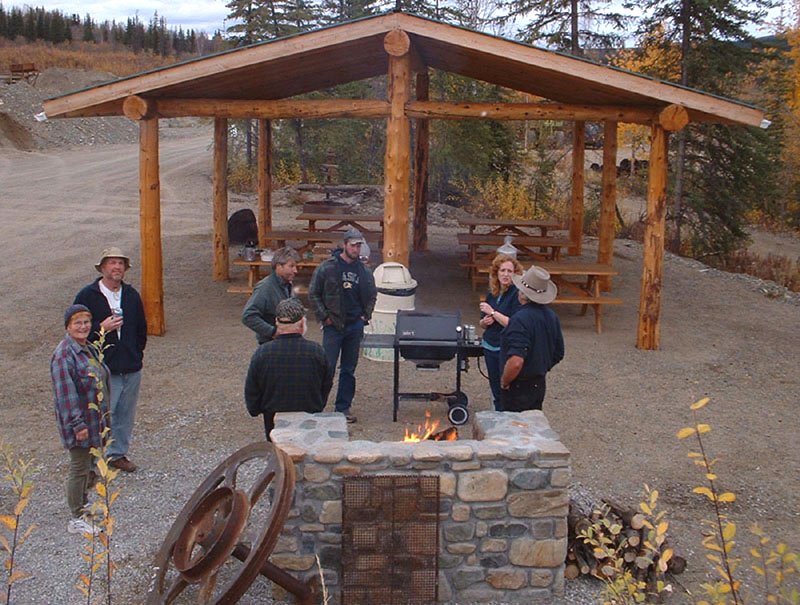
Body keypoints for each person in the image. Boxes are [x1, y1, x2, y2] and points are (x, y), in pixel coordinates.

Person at [74, 247, 147, 473]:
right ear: (103, 267)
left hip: (131, 367)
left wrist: (136, 353)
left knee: (125, 414)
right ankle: (93, 462)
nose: (117, 267)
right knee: (100, 415)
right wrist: (100, 329)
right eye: (112, 263)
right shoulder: (87, 296)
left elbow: (141, 330)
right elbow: (75, 330)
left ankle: (117, 455)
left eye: (120, 263)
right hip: (102, 368)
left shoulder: (132, 295)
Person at [51, 304, 109, 536]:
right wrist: (77, 425)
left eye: (86, 322)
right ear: (68, 326)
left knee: (90, 467)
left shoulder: (87, 348)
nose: (83, 327)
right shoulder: (64, 355)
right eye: (77, 323)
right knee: (79, 468)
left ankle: (84, 506)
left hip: (94, 421)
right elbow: (66, 394)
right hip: (79, 424)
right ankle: (76, 517)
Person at [308, 227, 377, 424]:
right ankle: (317, 406)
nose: (356, 249)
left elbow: (372, 295)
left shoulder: (364, 271)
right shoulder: (327, 267)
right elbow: (313, 294)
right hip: (333, 327)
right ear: (344, 245)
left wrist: (366, 316)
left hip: (355, 326)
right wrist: (324, 317)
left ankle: (343, 408)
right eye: (353, 245)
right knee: (326, 367)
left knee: (348, 369)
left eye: (359, 245)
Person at [244, 298, 334, 440]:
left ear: (276, 322)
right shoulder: (316, 352)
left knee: (278, 454)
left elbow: (252, 388)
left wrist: (255, 409)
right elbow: (326, 383)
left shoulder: (263, 353)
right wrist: (318, 405)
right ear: (302, 324)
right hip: (308, 414)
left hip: (273, 417)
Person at [500, 265, 565, 412]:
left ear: (523, 294)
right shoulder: (551, 317)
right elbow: (559, 352)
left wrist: (505, 380)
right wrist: (541, 367)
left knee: (514, 429)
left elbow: (516, 361)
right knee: (533, 428)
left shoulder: (519, 320)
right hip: (538, 384)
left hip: (517, 386)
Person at [478, 254, 524, 411]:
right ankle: (498, 417)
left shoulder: (517, 295)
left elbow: (513, 324)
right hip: (489, 346)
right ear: (496, 273)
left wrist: (493, 314)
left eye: (509, 271)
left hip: (505, 348)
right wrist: (484, 322)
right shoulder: (493, 293)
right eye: (502, 270)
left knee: (506, 389)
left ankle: (506, 421)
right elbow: (482, 323)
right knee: (495, 388)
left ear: (515, 274)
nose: (505, 274)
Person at [242, 247, 300, 344]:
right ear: (279, 266)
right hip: (270, 343)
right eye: (291, 266)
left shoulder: (287, 284)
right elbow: (248, 316)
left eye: (296, 266)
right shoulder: (265, 288)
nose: (295, 270)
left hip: (287, 341)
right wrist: (273, 332)